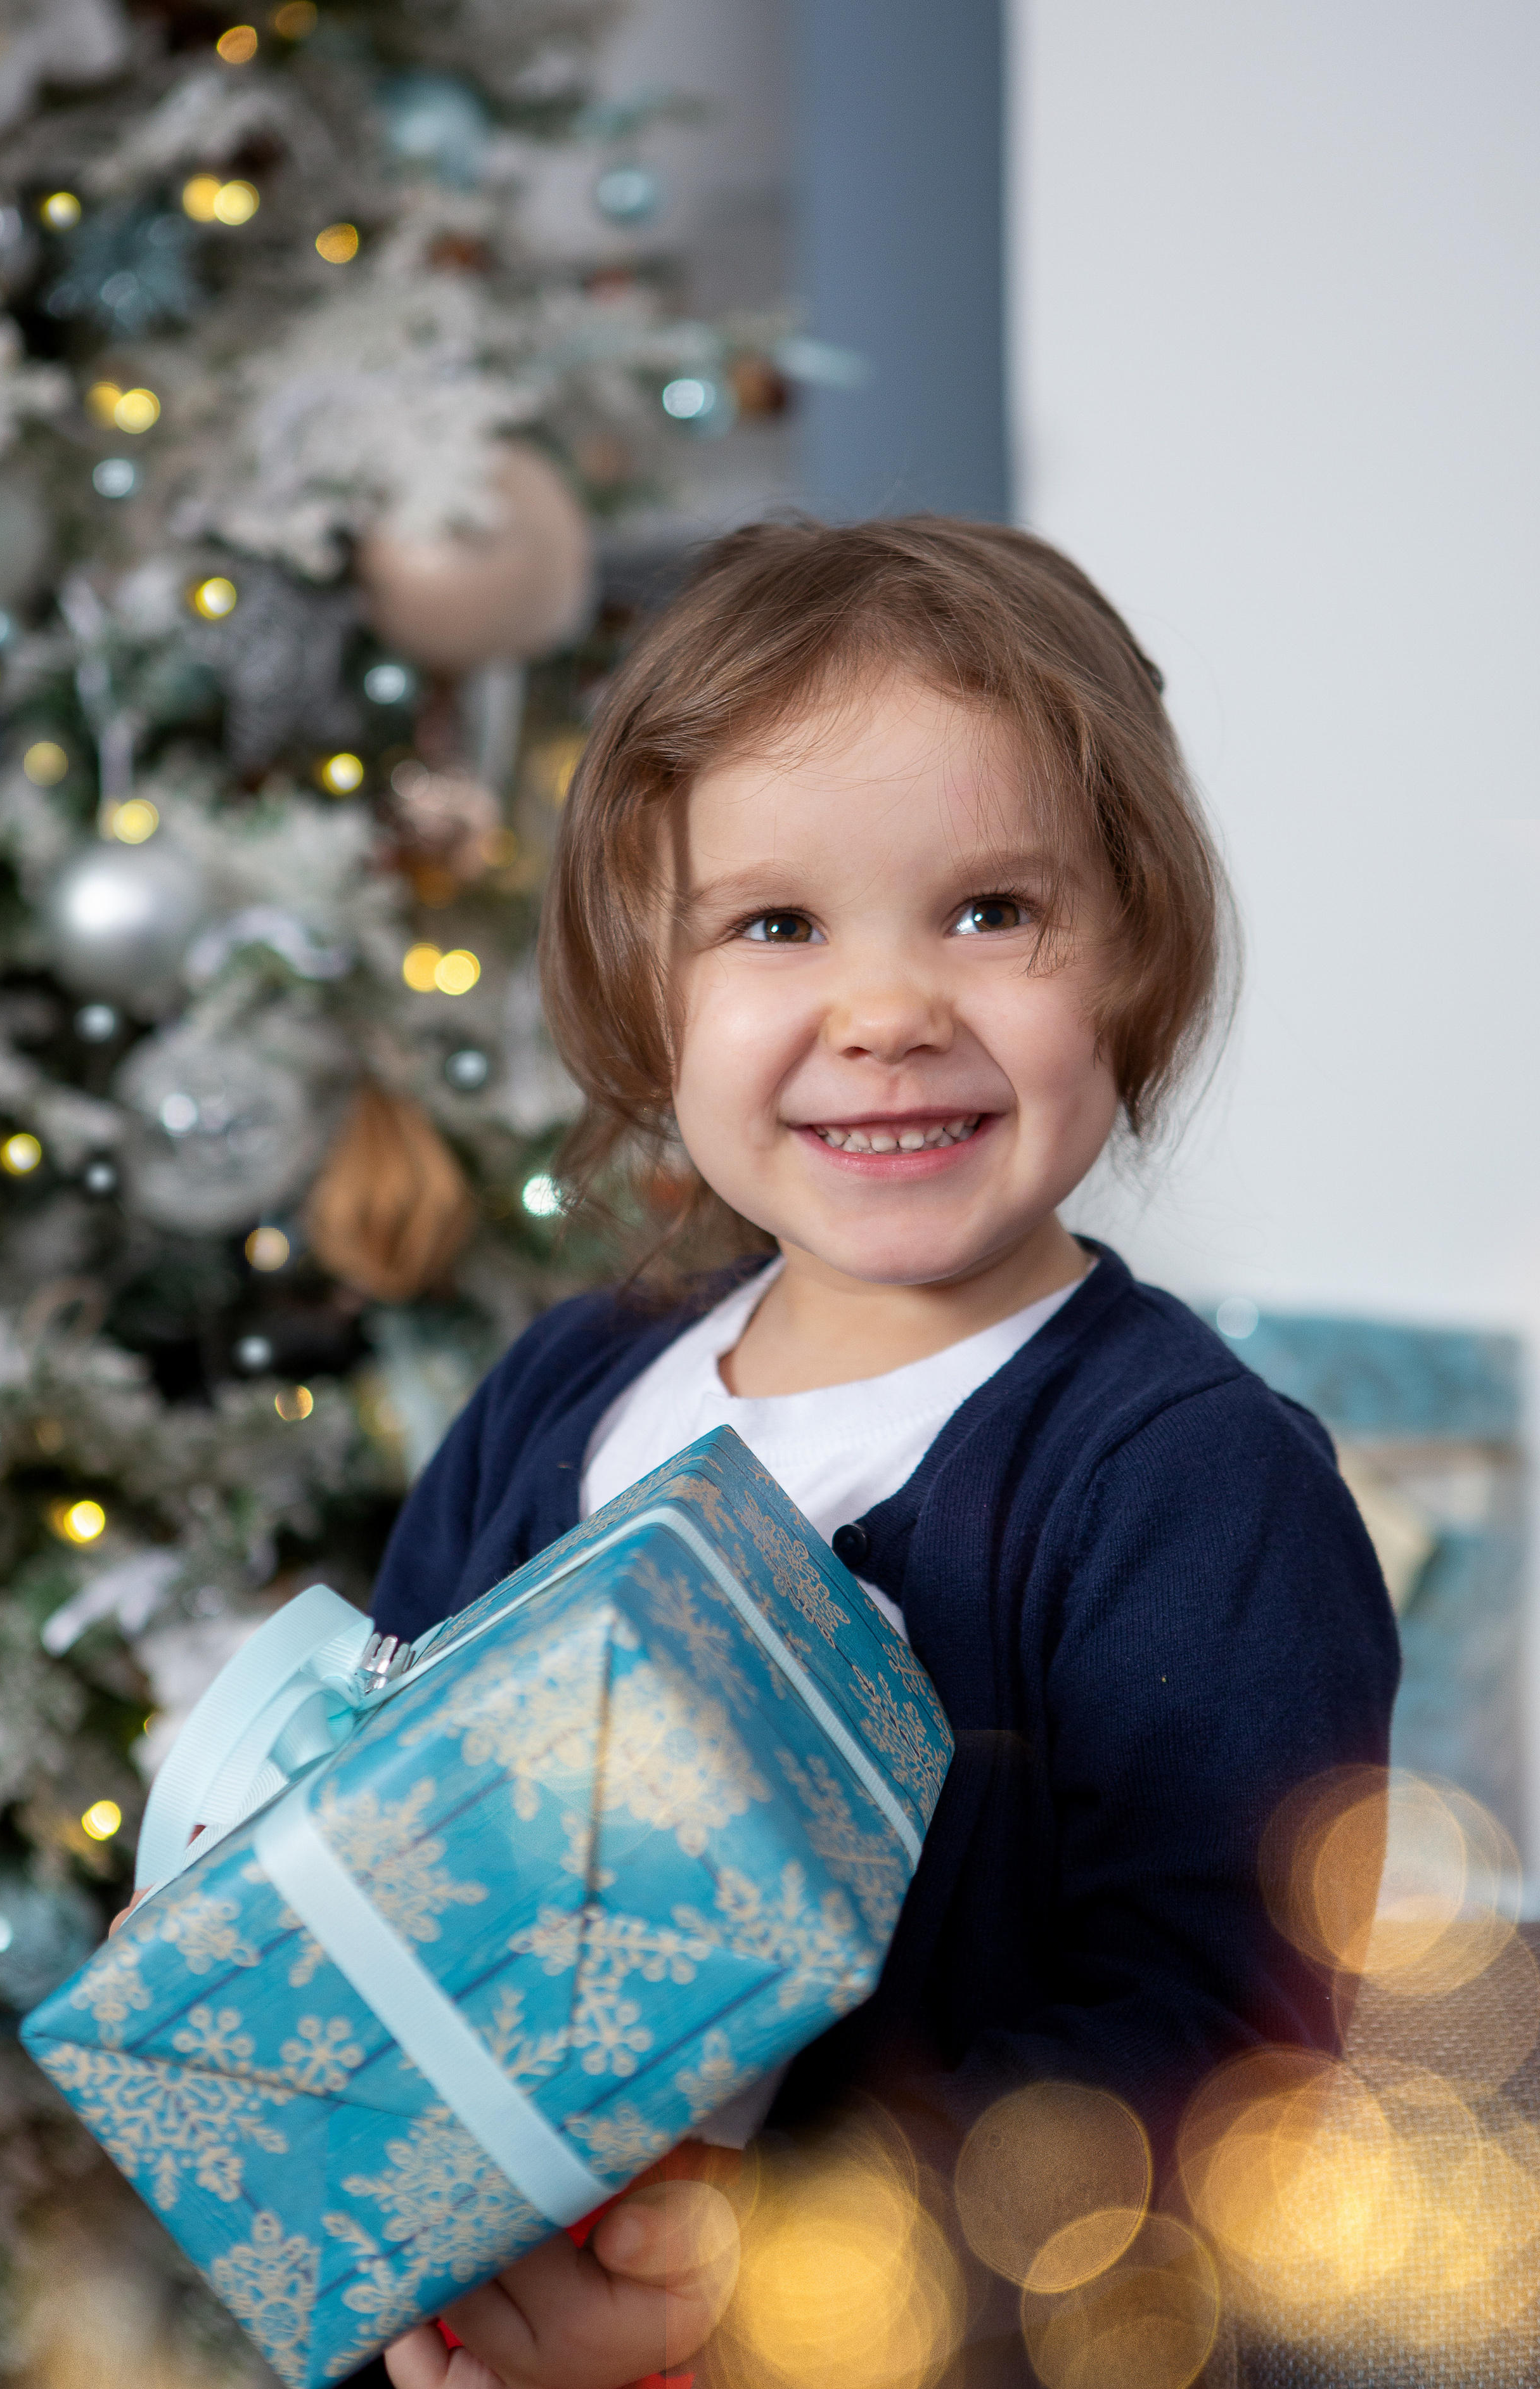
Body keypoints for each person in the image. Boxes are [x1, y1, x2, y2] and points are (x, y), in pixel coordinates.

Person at [374, 516, 1399, 2389]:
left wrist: (760, 2266)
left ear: (1135, 954)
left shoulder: (1190, 1484)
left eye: (991, 911)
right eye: (776, 924)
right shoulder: (558, 1399)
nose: (888, 1008)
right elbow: (386, 1848)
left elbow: (1228, 2060)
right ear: (648, 985)